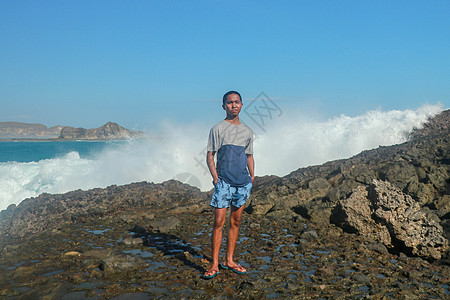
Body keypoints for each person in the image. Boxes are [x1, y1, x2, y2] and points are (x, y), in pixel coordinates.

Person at [202, 91, 255, 279]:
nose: (234, 105)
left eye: (237, 102)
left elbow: (249, 156)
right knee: (218, 223)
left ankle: (229, 260)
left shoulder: (248, 131)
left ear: (242, 104)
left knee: (236, 222)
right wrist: (215, 178)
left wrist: (252, 178)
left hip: (242, 183)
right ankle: (214, 264)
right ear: (223, 106)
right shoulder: (217, 129)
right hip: (224, 182)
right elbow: (210, 155)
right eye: (230, 103)